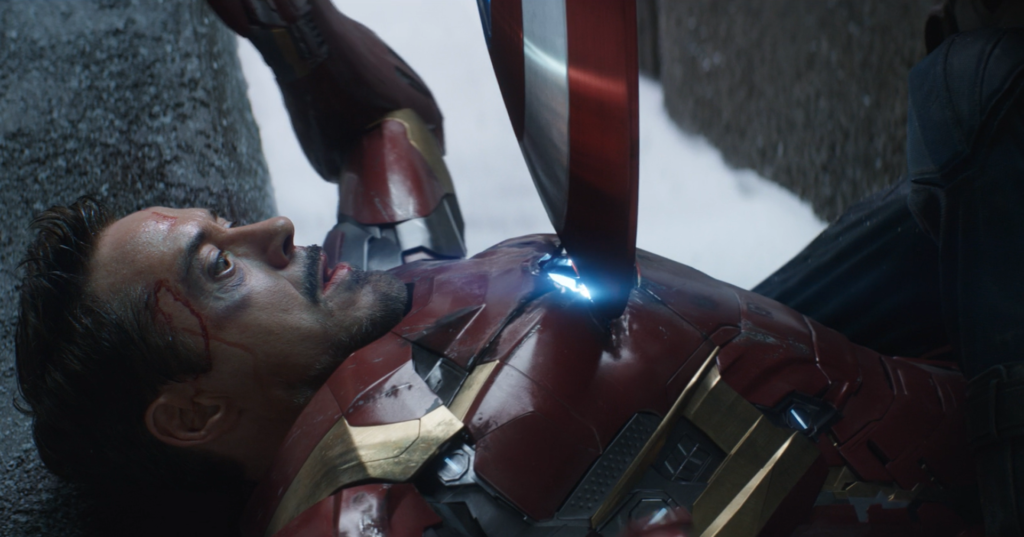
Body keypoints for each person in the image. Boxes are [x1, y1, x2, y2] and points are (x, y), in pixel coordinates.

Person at [12, 0, 1021, 536]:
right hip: (953, 481)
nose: (274, 230)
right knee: (982, 95)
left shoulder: (375, 290)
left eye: (227, 230)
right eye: (218, 269)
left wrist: (289, 22)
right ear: (192, 413)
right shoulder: (350, 515)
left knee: (977, 102)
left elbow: (383, 125)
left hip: (862, 364)